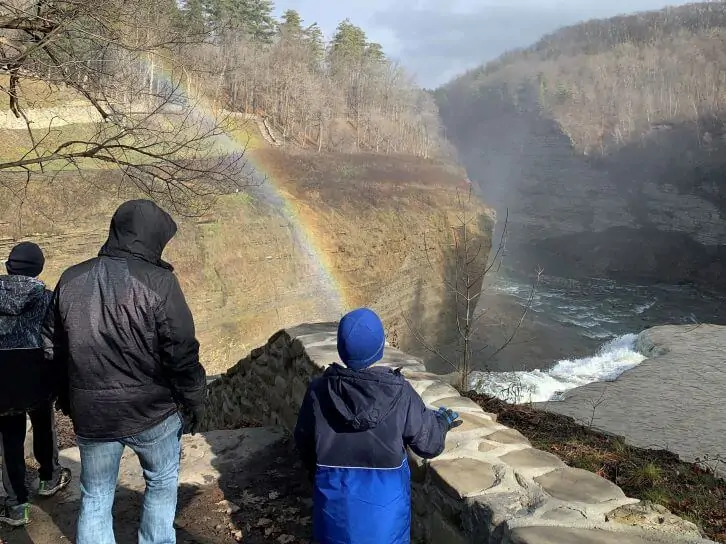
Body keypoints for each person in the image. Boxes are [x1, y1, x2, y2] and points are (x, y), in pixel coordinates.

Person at [42, 200, 207, 544]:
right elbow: (180, 350)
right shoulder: (160, 282)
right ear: (152, 237)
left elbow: (51, 350)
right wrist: (195, 400)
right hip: (153, 413)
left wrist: (68, 400)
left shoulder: (71, 279)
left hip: (94, 415)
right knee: (161, 484)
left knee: (95, 497)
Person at [294, 308, 461, 544]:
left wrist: (320, 476)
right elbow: (429, 445)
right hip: (386, 525)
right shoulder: (399, 393)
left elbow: (304, 443)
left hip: (333, 517)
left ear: (341, 349)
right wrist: (442, 421)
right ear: (380, 347)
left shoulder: (318, 392)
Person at [0, 242, 72, 527]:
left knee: (9, 440)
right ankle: (49, 477)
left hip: (1, 383)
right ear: (39, 269)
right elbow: (58, 339)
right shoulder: (48, 298)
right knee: (43, 424)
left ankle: (16, 505)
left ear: (7, 267)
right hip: (37, 376)